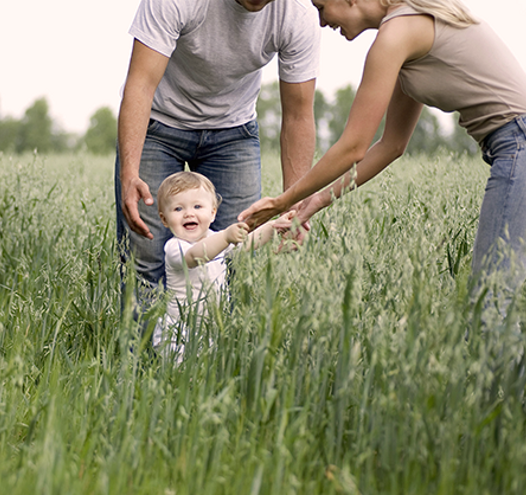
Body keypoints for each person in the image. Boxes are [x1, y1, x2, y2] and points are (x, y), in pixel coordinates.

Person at [239, 0, 526, 313]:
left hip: (518, 143)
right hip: (511, 146)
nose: (321, 22)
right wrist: (317, 201)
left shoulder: (396, 34)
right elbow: (391, 145)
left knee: (492, 301)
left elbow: (353, 146)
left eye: (321, 7)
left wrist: (282, 202)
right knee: (496, 297)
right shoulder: (405, 36)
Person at [115, 0, 321, 311]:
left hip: (233, 133)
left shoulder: (297, 15)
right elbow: (140, 84)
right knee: (147, 261)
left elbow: (298, 115)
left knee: (238, 262)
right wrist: (130, 173)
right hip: (159, 124)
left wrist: (294, 204)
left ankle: (220, 357)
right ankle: (143, 358)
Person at [153, 171, 292, 361]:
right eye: (178, 209)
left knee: (209, 371)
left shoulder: (214, 238)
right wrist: (226, 237)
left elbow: (247, 243)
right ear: (164, 219)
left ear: (212, 213)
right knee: (183, 377)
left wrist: (274, 227)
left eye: (197, 206)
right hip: (180, 331)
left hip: (212, 328)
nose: (189, 213)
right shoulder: (175, 247)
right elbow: (196, 255)